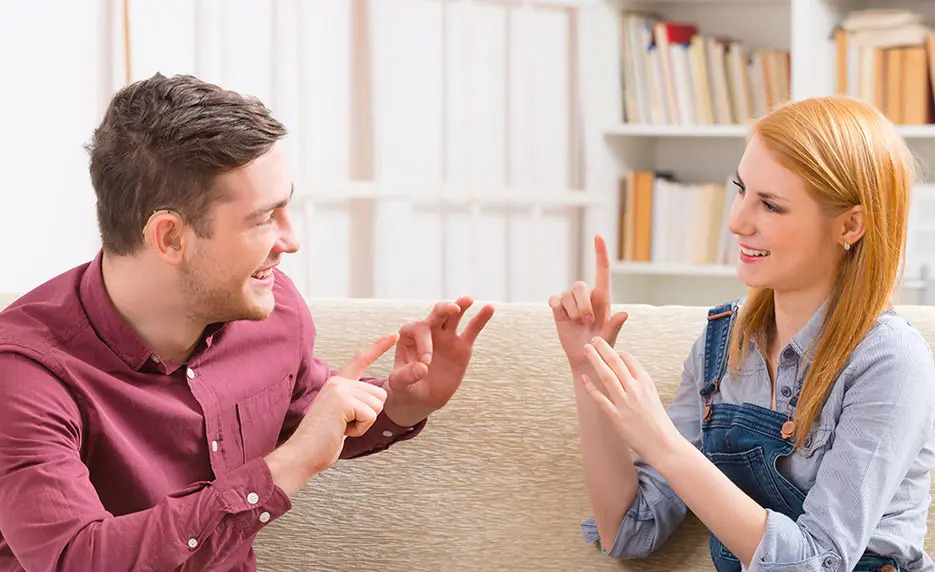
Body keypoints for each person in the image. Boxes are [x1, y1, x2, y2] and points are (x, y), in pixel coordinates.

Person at [0, 73, 495, 571]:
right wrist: (288, 466)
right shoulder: (22, 374)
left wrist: (404, 401)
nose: (291, 239)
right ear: (170, 237)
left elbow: (303, 409)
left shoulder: (272, 309)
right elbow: (75, 561)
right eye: (264, 218)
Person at [550, 97, 935, 571]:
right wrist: (588, 370)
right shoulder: (723, 345)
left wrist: (662, 444)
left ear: (849, 225)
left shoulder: (890, 362)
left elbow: (821, 563)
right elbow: (630, 529)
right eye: (740, 190)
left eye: (770, 205)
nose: (736, 222)